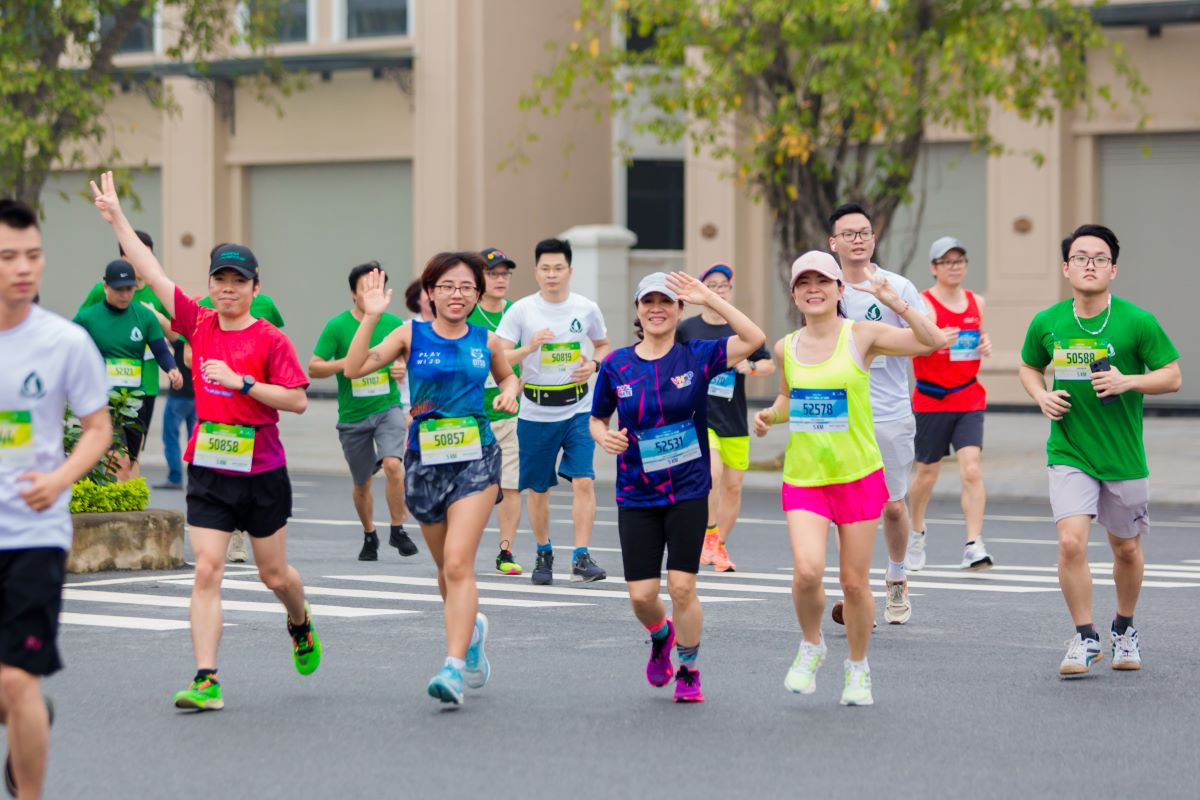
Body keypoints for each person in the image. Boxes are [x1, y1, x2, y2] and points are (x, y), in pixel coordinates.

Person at [91, 171, 322, 711]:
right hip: (212, 466)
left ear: (255, 289)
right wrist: (117, 217)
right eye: (220, 279)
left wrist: (243, 383)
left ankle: (300, 619)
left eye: (238, 281)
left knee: (274, 574)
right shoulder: (198, 321)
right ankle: (206, 677)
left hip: (261, 466)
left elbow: (297, 400)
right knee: (207, 568)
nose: (227, 288)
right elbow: (150, 271)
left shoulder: (271, 338)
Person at [755, 252, 944, 706]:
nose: (814, 288)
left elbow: (933, 341)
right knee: (806, 572)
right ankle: (811, 643)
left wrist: (895, 303)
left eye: (824, 281)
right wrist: (769, 416)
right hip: (805, 477)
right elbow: (787, 398)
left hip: (858, 475)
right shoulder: (787, 347)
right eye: (805, 283)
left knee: (854, 583)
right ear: (795, 293)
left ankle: (857, 667)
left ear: (840, 290)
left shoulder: (862, 335)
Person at [344, 255, 520, 706]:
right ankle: (473, 632)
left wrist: (507, 392)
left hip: (477, 458)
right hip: (425, 463)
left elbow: (509, 379)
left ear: (478, 295)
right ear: (430, 292)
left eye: (465, 287)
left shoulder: (488, 341)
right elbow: (354, 368)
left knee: (460, 563)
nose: (456, 294)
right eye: (446, 286)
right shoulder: (409, 334)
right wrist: (370, 315)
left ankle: (453, 667)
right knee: (445, 570)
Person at [592, 271, 765, 703]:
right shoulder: (617, 364)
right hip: (636, 491)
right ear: (637, 310)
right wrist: (602, 436)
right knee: (642, 596)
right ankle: (660, 634)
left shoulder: (698, 356)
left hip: (688, 489)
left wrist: (712, 297)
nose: (657, 309)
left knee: (683, 587)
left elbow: (754, 336)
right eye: (648, 302)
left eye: (666, 302)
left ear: (679, 310)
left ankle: (688, 667)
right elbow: (597, 416)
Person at [1019, 224, 1180, 677]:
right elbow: (1030, 366)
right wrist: (1040, 395)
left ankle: (1124, 627)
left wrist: (1129, 380)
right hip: (1069, 449)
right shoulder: (1048, 321)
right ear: (1065, 266)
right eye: (1081, 257)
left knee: (1125, 549)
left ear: (1113, 269)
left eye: (1100, 258)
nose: (1090, 265)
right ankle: (1085, 636)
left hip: (1123, 453)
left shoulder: (1137, 321)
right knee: (1071, 542)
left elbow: (1172, 376)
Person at [1, 198, 111, 800]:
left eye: (33, 255)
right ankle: (27, 710)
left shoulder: (66, 343)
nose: (24, 267)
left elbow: (98, 427)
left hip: (32, 534)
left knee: (15, 679)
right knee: (14, 693)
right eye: (8, 257)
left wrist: (60, 478)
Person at [827, 203, 936, 626]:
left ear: (873, 240)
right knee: (849, 509)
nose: (858, 239)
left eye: (864, 232)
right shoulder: (827, 288)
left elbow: (929, 339)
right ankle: (854, 593)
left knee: (892, 506)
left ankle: (896, 577)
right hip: (840, 415)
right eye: (848, 233)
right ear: (833, 242)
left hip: (889, 413)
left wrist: (897, 306)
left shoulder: (897, 286)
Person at [495, 238, 611, 585]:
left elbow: (604, 345)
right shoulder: (522, 311)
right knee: (539, 489)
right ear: (536, 272)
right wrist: (530, 346)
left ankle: (581, 555)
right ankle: (543, 553)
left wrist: (592, 364)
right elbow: (499, 356)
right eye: (545, 268)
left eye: (558, 268)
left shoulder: (586, 308)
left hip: (578, 408)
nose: (552, 275)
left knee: (584, 481)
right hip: (535, 411)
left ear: (570, 271)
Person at [309, 262, 417, 561]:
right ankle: (370, 533)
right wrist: (350, 365)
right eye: (365, 288)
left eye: (377, 288)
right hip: (353, 416)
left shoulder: (396, 324)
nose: (371, 293)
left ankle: (398, 529)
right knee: (362, 484)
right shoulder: (338, 326)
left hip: (387, 408)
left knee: (394, 465)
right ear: (353, 293)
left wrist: (400, 367)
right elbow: (314, 367)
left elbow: (410, 360)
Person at [676, 263, 774, 572]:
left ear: (729, 291)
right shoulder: (688, 328)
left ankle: (717, 545)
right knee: (712, 473)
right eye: (712, 284)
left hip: (733, 418)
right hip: (699, 416)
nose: (718, 290)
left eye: (723, 286)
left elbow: (768, 364)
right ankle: (710, 533)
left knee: (733, 486)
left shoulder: (739, 328)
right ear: (702, 289)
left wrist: (752, 368)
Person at [907, 237, 994, 571]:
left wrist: (984, 344)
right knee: (927, 474)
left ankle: (974, 543)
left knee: (971, 468)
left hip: (969, 395)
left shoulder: (977, 302)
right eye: (947, 262)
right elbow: (911, 347)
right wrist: (934, 342)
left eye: (959, 261)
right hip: (931, 398)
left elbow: (978, 338)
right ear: (934, 268)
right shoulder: (924, 304)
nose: (954, 267)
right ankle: (915, 531)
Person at [72, 259, 183, 481]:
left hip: (134, 399)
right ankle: (117, 511)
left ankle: (114, 501)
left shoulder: (145, 317)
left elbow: (160, 350)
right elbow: (69, 348)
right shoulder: (87, 318)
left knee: (130, 460)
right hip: (102, 399)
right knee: (118, 461)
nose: (125, 295)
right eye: (118, 289)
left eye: (129, 289)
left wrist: (172, 369)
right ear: (105, 287)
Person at [467, 248, 524, 575]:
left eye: (505, 273)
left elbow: (527, 359)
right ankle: (461, 547)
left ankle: (506, 551)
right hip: (469, 415)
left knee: (511, 484)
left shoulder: (518, 311)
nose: (500, 279)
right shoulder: (466, 314)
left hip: (508, 413)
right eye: (493, 273)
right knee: (471, 487)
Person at [156, 337, 196, 491]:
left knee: (170, 437)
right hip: (197, 396)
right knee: (195, 441)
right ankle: (195, 480)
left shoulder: (181, 338)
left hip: (178, 396)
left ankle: (175, 478)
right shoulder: (204, 337)